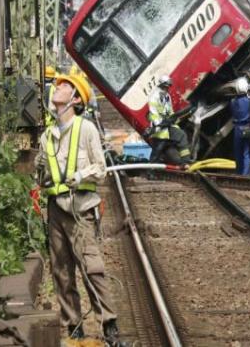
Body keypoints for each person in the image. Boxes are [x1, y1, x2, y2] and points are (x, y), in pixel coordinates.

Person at [34, 74, 126, 346]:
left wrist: (79, 174)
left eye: (64, 86)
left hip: (81, 209)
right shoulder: (47, 136)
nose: (57, 88)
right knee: (61, 271)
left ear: (75, 99)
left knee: (91, 268)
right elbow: (41, 172)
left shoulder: (85, 130)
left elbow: (101, 168)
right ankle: (73, 326)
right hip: (56, 211)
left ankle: (109, 325)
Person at [147, 75, 191, 167]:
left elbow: (170, 111)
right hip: (159, 129)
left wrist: (173, 118)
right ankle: (150, 170)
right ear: (161, 85)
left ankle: (185, 161)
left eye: (168, 87)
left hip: (168, 126)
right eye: (166, 86)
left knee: (181, 135)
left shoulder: (167, 96)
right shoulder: (154, 97)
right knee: (158, 149)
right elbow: (153, 113)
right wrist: (159, 123)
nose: (167, 89)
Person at [230, 77, 250, 176]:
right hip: (247, 127)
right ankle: (245, 174)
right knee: (246, 152)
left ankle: (238, 172)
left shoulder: (232, 102)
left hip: (237, 128)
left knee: (238, 152)